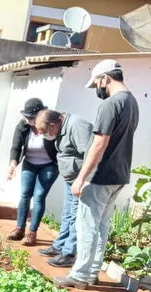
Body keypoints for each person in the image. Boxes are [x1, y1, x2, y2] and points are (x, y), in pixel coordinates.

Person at [53, 60, 139, 289]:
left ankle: (80, 276)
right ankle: (91, 271)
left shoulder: (111, 104)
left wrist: (81, 177)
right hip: (119, 175)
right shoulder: (132, 102)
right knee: (101, 226)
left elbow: (100, 142)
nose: (97, 89)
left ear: (106, 78)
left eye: (96, 84)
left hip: (100, 176)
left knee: (87, 225)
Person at [33, 109, 94, 268]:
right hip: (71, 179)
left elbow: (90, 154)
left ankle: (69, 253)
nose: (43, 135)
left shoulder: (77, 126)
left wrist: (82, 180)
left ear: (53, 125)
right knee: (67, 213)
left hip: (78, 180)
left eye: (44, 131)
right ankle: (59, 246)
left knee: (75, 215)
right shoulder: (61, 128)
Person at [5, 98, 59, 247]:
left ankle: (32, 232)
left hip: (49, 165)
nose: (28, 120)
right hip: (30, 163)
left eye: (31, 118)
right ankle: (19, 229)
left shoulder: (49, 125)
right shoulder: (23, 126)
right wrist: (13, 164)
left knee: (39, 195)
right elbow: (16, 147)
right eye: (26, 117)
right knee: (25, 194)